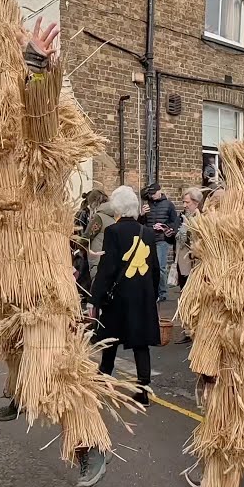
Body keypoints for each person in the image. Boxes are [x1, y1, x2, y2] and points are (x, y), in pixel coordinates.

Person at [88, 185, 159, 436]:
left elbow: (107, 270)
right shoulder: (147, 232)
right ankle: (143, 391)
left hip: (118, 297)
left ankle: (103, 382)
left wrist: (94, 301)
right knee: (141, 344)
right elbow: (155, 269)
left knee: (110, 341)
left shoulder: (113, 232)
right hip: (141, 296)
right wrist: (152, 295)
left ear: (117, 208)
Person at [138, 183, 180, 303]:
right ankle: (153, 291)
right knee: (150, 267)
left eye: (153, 194)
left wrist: (164, 227)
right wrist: (141, 215)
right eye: (150, 194)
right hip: (149, 239)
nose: (152, 196)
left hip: (162, 239)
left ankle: (163, 292)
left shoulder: (169, 205)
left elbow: (175, 223)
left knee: (161, 267)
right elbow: (140, 224)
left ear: (159, 191)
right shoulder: (147, 205)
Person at [84, 193, 116, 283]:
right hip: (108, 256)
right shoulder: (112, 217)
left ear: (94, 202)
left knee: (97, 285)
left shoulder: (98, 217)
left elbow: (87, 236)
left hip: (97, 257)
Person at [175, 187, 202, 289]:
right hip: (182, 263)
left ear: (196, 203)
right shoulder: (182, 217)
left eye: (187, 202)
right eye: (183, 202)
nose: (184, 205)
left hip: (194, 265)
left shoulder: (201, 219)